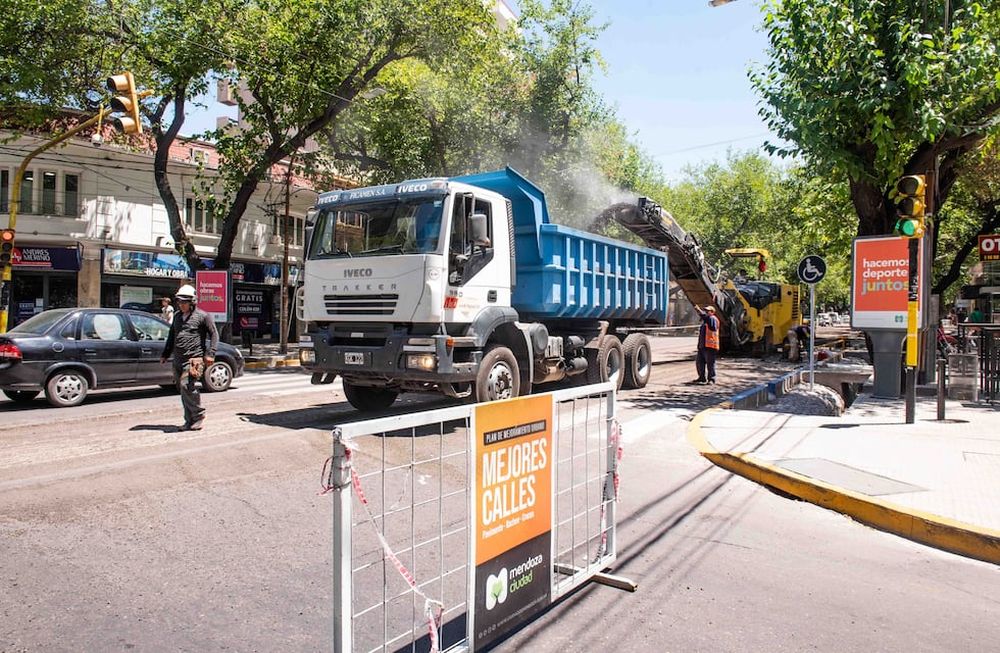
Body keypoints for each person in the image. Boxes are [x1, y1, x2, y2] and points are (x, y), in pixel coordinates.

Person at [160, 284, 218, 431]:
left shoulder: (203, 316)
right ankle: (189, 420)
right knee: (183, 390)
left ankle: (198, 415)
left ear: (192, 302)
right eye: (179, 302)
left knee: (187, 386)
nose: (181, 305)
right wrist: (166, 354)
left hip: (194, 359)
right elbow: (172, 336)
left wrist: (211, 353)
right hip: (178, 359)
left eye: (184, 302)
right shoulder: (178, 317)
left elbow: (214, 334)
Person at [693, 304, 720, 384]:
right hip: (703, 346)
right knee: (699, 363)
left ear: (712, 312)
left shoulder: (712, 319)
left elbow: (712, 327)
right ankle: (701, 378)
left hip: (711, 346)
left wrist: (699, 311)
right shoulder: (705, 322)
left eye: (708, 311)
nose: (706, 312)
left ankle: (711, 379)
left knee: (710, 364)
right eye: (706, 311)